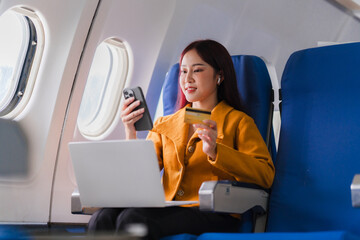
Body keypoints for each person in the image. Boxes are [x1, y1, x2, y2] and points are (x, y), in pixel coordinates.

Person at [88, 39, 275, 239]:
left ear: (219, 76)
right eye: (184, 71)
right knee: (102, 218)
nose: (188, 78)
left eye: (197, 70)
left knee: (133, 219)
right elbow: (139, 176)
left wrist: (216, 151)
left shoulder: (238, 122)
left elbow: (265, 174)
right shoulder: (165, 124)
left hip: (214, 213)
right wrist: (130, 131)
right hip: (168, 208)